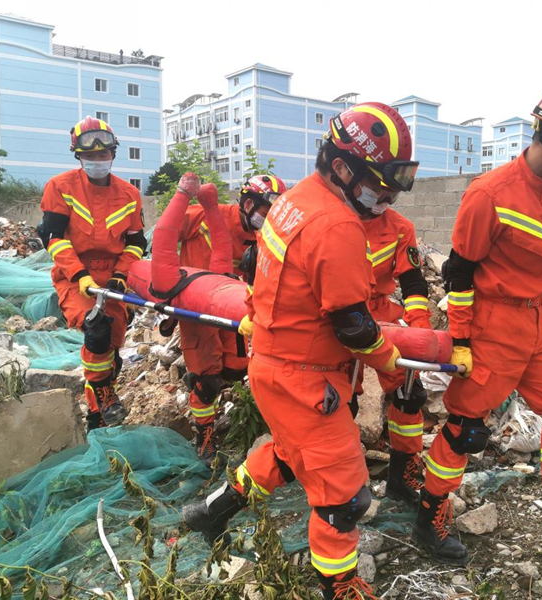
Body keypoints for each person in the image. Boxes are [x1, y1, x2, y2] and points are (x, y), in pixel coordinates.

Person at [182, 102, 419, 599]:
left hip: (274, 362)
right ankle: (339, 586)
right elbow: (354, 325)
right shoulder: (337, 226)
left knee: (291, 454)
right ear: (341, 167)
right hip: (307, 377)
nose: (389, 194)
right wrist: (390, 362)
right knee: (345, 498)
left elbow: (263, 274)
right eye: (382, 182)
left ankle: (212, 512)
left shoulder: (294, 202)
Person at [415, 82, 542, 564]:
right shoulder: (490, 194)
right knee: (465, 429)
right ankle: (430, 517)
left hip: (536, 324)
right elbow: (459, 271)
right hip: (493, 327)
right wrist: (461, 338)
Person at [38, 116, 146, 431]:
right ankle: (106, 396)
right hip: (75, 278)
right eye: (90, 156)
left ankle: (96, 413)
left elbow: (137, 241)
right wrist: (79, 275)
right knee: (95, 331)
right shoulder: (60, 187)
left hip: (113, 278)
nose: (97, 161)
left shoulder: (129, 194)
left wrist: (121, 274)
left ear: (113, 154)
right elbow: (53, 238)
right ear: (79, 156)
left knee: (109, 352)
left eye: (103, 155)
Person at [176, 174, 286, 462]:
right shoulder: (204, 216)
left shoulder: (267, 236)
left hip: (236, 307)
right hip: (196, 308)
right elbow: (164, 232)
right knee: (207, 379)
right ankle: (205, 439)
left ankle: (207, 396)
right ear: (249, 203)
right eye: (267, 211)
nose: (270, 218)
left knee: (237, 370)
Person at [354, 204, 432, 507]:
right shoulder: (330, 218)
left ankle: (403, 477)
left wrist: (420, 327)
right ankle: (341, 479)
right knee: (338, 401)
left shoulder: (399, 227)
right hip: (339, 310)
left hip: (380, 311)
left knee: (409, 394)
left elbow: (412, 280)